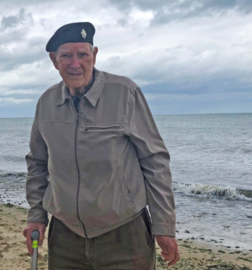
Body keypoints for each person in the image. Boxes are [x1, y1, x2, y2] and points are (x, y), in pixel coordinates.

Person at [23, 22, 179, 269]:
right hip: (65, 235)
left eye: (82, 54)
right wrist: (36, 215)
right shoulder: (46, 102)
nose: (75, 64)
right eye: (66, 56)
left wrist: (164, 226)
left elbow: (154, 160)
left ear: (94, 56)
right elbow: (38, 163)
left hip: (124, 233)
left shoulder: (125, 93)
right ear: (54, 60)